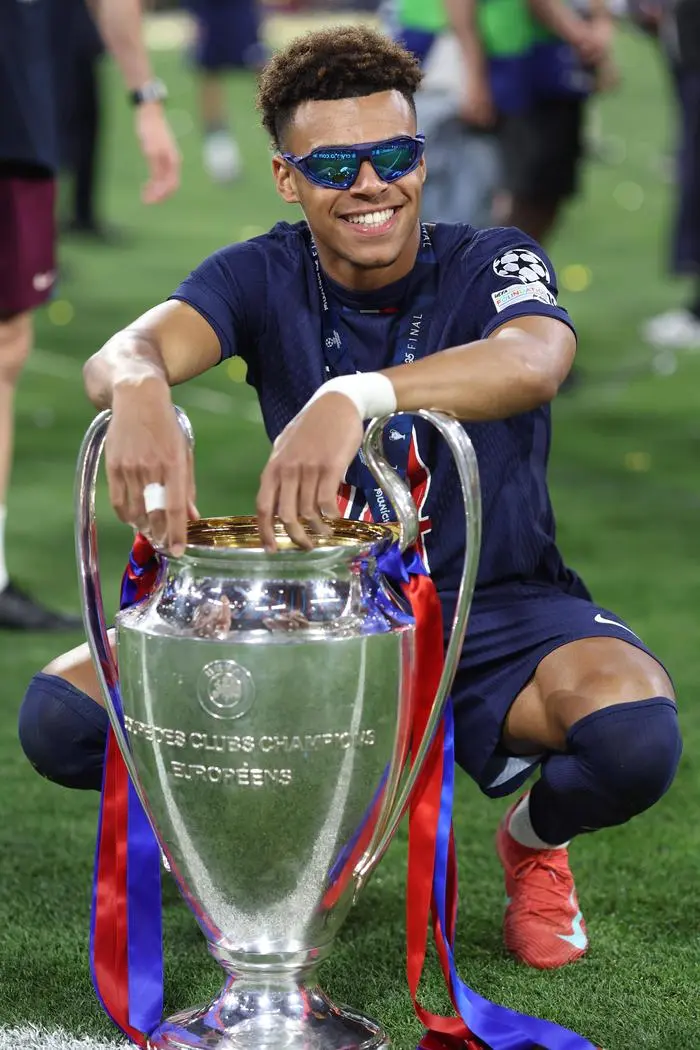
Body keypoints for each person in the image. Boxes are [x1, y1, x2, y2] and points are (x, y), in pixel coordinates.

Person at [19, 26, 681, 971]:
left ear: (421, 155)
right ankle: (263, 822)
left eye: (394, 155)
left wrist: (354, 395)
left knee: (632, 737)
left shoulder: (490, 257)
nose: (373, 184)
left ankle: (532, 844)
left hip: (491, 608)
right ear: (289, 177)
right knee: (63, 718)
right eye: (336, 163)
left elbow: (535, 360)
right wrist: (138, 391)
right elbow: (129, 348)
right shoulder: (260, 270)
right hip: (320, 612)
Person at [0, 0, 180, 630]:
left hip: (14, 114)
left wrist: (145, 94)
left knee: (5, 348)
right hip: (15, 115)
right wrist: (146, 98)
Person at [446, 0, 618, 244]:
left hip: (553, 66)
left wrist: (599, 26)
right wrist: (584, 36)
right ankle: (491, 271)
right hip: (514, 63)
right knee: (517, 192)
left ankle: (507, 271)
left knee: (543, 193)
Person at [184, 0, 267, 183]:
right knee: (209, 72)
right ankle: (220, 151)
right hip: (209, 10)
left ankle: (284, 133)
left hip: (239, 8)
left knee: (261, 67)